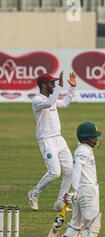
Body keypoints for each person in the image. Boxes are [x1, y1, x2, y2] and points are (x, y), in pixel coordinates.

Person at [55, 122, 103, 237]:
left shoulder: (83, 149)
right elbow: (77, 169)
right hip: (87, 191)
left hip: (81, 190)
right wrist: (74, 189)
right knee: (92, 225)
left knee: (76, 224)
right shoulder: (83, 151)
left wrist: (75, 191)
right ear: (87, 138)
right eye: (94, 137)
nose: (96, 139)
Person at [28, 72, 77, 211]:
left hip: (59, 139)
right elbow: (49, 102)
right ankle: (34, 193)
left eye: (55, 83)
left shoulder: (52, 98)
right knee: (55, 172)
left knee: (70, 170)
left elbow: (65, 103)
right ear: (43, 85)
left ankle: (61, 203)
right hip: (46, 140)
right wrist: (60, 86)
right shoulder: (37, 100)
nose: (54, 85)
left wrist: (71, 88)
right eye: (51, 83)